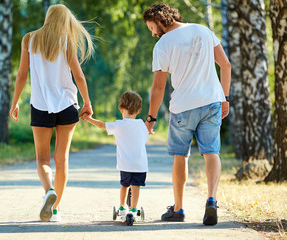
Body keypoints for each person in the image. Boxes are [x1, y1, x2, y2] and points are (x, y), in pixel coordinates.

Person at [143, 3, 231, 225]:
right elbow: (226, 65)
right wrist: (224, 97)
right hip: (211, 102)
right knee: (212, 152)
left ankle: (179, 209)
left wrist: (151, 119)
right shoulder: (203, 30)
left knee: (180, 156)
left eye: (152, 27)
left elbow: (158, 88)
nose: (153, 33)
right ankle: (211, 199)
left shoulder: (163, 45)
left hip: (183, 107)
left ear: (161, 19)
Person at [9, 4, 94, 222]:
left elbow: (21, 75)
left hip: (40, 106)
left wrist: (15, 102)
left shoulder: (29, 39)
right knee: (62, 159)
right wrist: (87, 102)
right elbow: (79, 75)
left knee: (42, 159)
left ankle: (48, 191)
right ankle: (55, 210)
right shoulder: (66, 41)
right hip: (67, 105)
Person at [83, 91, 149, 219]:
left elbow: (102, 125)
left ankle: (122, 207)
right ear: (138, 110)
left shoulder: (119, 125)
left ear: (121, 108)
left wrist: (89, 119)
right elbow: (144, 135)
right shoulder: (142, 124)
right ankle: (134, 209)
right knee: (136, 186)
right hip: (140, 164)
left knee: (124, 185)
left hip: (125, 164)